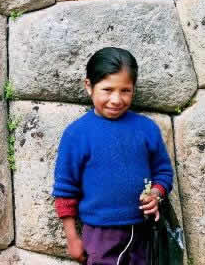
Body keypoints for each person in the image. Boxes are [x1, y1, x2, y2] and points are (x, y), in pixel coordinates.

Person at [52, 47, 174, 265]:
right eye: (107, 90)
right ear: (89, 86)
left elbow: (163, 171)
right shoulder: (77, 134)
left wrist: (156, 193)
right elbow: (65, 192)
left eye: (125, 90)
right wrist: (72, 238)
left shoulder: (147, 129)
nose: (116, 99)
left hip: (145, 230)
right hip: (100, 235)